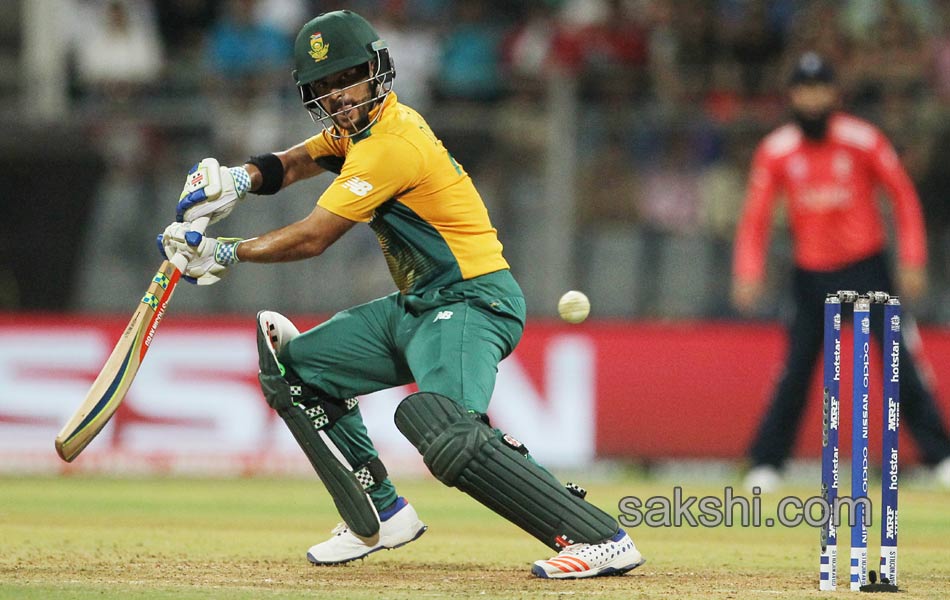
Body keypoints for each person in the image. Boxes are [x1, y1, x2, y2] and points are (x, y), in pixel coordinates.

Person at [158, 10, 644, 579]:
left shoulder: (393, 142)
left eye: (348, 78)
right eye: (324, 86)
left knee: (444, 429)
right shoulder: (354, 130)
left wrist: (225, 251)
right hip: (417, 306)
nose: (339, 96)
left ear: (377, 70)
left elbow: (314, 237)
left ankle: (599, 537)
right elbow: (295, 162)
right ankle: (380, 512)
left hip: (472, 301)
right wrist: (238, 180)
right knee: (297, 371)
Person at [732, 51, 950, 491]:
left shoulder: (862, 140)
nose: (812, 99)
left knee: (899, 363)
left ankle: (942, 457)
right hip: (811, 276)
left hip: (867, 270)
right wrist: (748, 270)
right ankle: (767, 462)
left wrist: (912, 259)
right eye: (804, 89)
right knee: (795, 371)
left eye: (819, 89)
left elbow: (903, 197)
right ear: (793, 95)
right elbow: (755, 217)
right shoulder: (777, 150)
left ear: (833, 93)